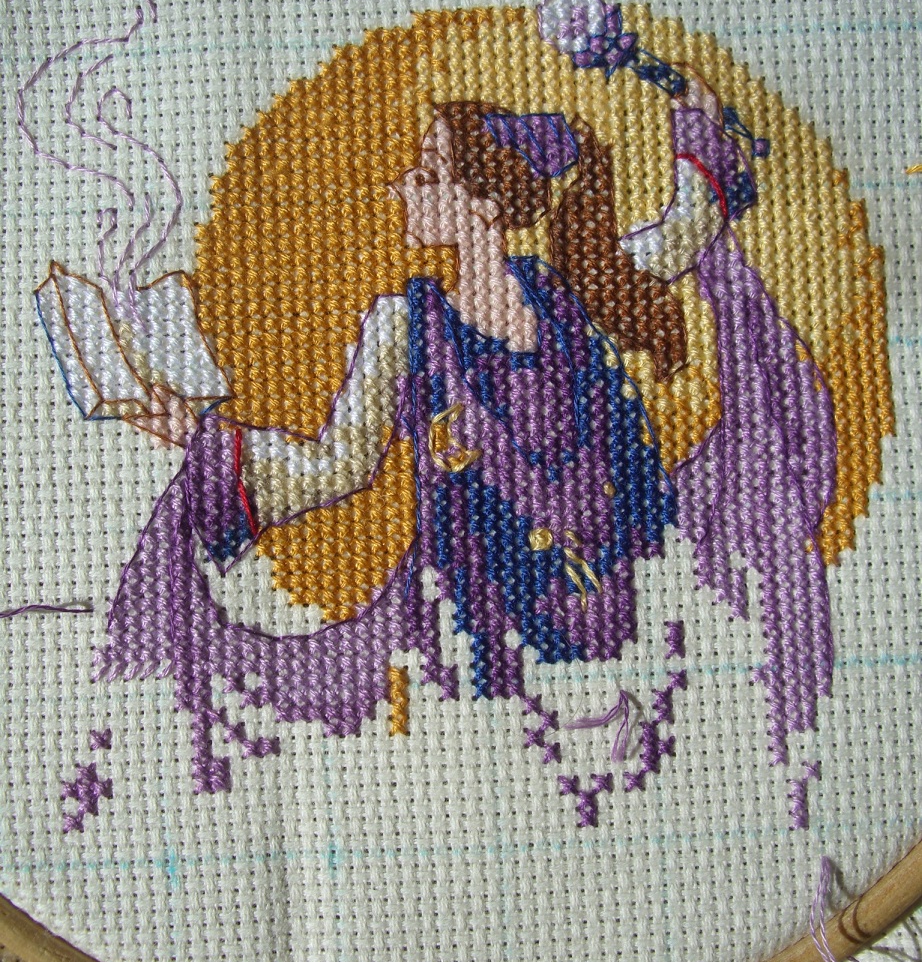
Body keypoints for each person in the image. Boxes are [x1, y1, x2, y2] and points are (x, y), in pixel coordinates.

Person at [92, 69, 836, 812]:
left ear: (483, 203)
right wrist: (204, 441)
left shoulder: (574, 286)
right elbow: (338, 462)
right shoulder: (404, 324)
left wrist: (696, 124)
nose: (404, 188)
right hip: (483, 627)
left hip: (628, 604)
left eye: (427, 174)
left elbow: (681, 232)